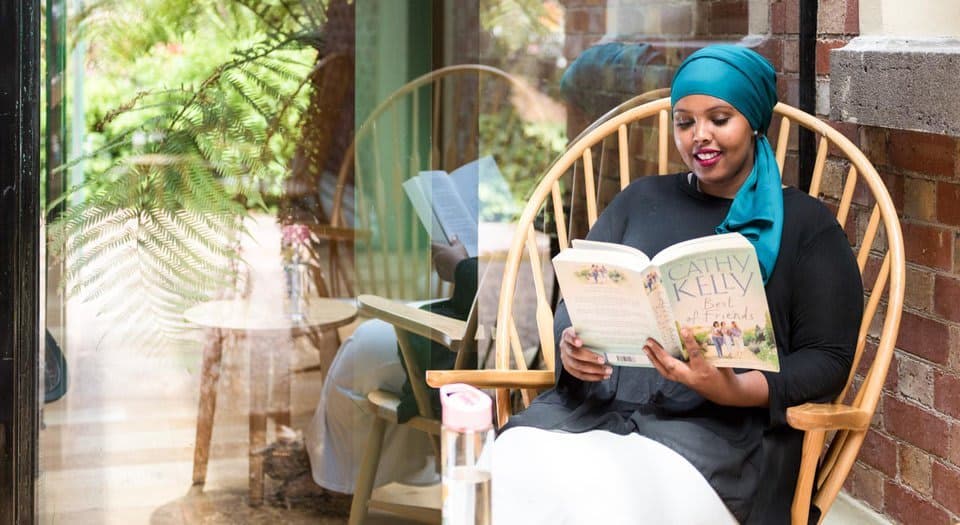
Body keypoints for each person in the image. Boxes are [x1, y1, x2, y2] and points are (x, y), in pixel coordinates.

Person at [492, 44, 863, 524]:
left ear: (751, 121)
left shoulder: (805, 226)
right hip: (598, 415)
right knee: (503, 468)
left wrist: (738, 390)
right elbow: (578, 301)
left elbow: (828, 359)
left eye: (719, 118)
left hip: (720, 440)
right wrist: (572, 347)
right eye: (684, 121)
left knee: (601, 502)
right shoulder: (639, 199)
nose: (699, 136)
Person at [304, 239, 477, 498]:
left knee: (358, 352)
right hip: (476, 322)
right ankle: (343, 469)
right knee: (368, 353)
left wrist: (460, 267)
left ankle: (334, 479)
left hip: (469, 340)